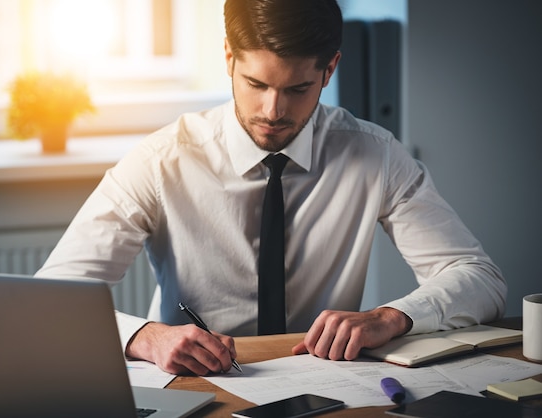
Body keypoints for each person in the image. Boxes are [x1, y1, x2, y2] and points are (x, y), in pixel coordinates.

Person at [36, 0, 506, 376]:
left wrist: (390, 316)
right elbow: (47, 303)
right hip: (197, 387)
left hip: (328, 383)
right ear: (228, 57)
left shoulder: (375, 154)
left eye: (297, 89)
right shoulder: (161, 161)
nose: (273, 110)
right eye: (255, 83)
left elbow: (479, 278)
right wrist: (146, 337)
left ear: (330, 69)